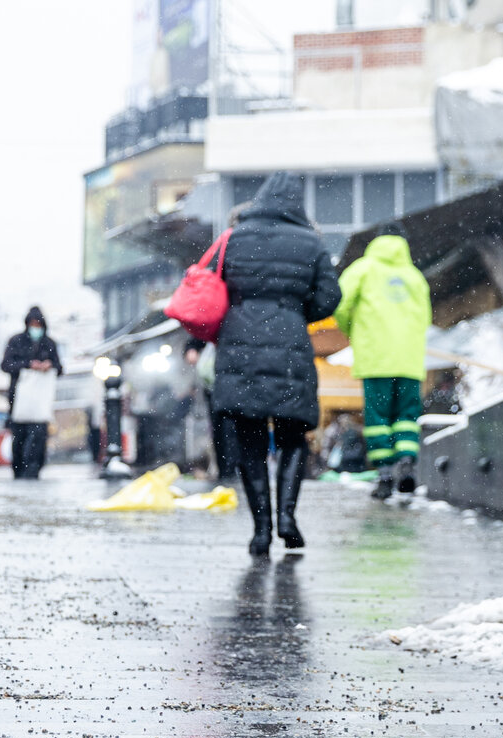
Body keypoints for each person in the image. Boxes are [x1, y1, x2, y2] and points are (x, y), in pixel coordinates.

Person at [211, 172, 342, 558]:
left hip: (239, 349)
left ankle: (261, 530)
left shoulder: (233, 238)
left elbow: (211, 287)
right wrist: (296, 311)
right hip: (290, 349)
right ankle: (287, 517)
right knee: (292, 436)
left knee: (249, 442)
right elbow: (330, 297)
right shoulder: (311, 242)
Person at [334, 222, 432, 500]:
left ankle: (385, 472)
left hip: (376, 358)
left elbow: (339, 303)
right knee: (407, 417)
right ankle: (406, 460)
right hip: (409, 360)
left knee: (378, 417)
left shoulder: (363, 269)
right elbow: (424, 319)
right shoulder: (414, 276)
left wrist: (352, 328)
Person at [0, 307, 63, 479]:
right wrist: (28, 364)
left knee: (38, 435)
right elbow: (6, 364)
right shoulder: (16, 341)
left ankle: (34, 468)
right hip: (19, 398)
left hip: (40, 400)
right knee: (19, 435)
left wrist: (48, 366)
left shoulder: (49, 344)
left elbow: (59, 367)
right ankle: (19, 468)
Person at [184, 339, 239, 482]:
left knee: (231, 429)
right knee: (221, 430)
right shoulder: (215, 325)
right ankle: (227, 470)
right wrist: (191, 348)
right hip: (217, 385)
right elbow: (198, 335)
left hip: (233, 382)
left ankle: (231, 470)